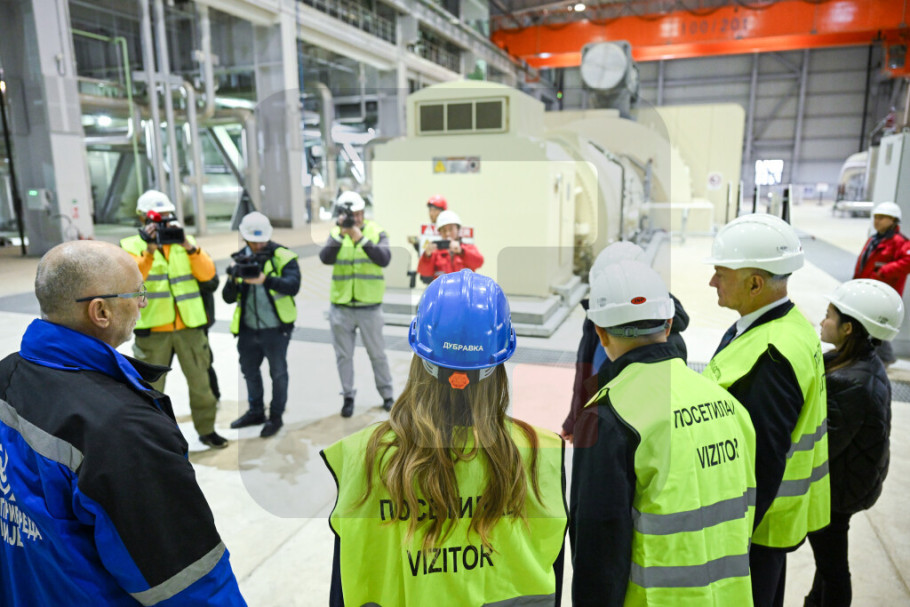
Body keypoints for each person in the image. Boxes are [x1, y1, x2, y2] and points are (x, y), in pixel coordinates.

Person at [0, 240, 245, 605]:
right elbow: (190, 586)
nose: (143, 304)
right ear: (101, 311)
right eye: (138, 293)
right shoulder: (123, 431)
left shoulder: (8, 373)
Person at [321, 269, 567, 606]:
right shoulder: (540, 454)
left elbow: (344, 585)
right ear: (498, 365)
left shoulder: (364, 456)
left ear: (419, 357)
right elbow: (553, 577)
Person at [570, 259, 756, 606]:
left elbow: (599, 545)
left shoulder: (608, 416)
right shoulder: (729, 405)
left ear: (600, 332)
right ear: (669, 324)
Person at [703, 213, 829, 607]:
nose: (712, 282)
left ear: (755, 283)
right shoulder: (790, 325)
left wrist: (731, 536)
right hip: (772, 523)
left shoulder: (771, 356)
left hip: (754, 530)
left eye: (721, 273)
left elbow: (764, 460)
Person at [805, 279, 902, 607]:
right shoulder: (857, 362)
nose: (822, 321)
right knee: (828, 564)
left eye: (829, 315)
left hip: (839, 491)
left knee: (833, 568)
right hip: (850, 482)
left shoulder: (851, 381)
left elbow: (823, 446)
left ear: (848, 328)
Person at [120, 190, 226, 449]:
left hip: (190, 326)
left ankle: (207, 430)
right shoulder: (130, 246)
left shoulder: (186, 243)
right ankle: (152, 439)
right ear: (143, 218)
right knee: (149, 389)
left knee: (201, 384)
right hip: (153, 330)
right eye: (157, 219)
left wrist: (189, 247)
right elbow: (131, 280)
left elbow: (207, 274)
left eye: (167, 217)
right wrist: (149, 250)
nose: (163, 224)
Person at [561, 241, 689, 443]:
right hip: (598, 421)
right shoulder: (599, 314)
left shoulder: (669, 344)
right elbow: (584, 371)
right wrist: (575, 418)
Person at [223, 212, 301, 438]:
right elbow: (228, 297)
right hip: (247, 329)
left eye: (261, 241)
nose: (257, 246)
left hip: (276, 329)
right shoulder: (240, 259)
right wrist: (233, 277)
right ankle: (256, 411)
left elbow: (293, 286)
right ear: (244, 238)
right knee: (249, 372)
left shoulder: (283, 256)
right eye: (253, 241)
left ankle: (275, 417)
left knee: (278, 373)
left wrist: (266, 280)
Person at [319, 191, 395, 417]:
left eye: (360, 213)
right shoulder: (336, 233)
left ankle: (387, 395)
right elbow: (325, 258)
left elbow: (384, 259)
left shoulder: (376, 232)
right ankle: (348, 396)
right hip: (341, 307)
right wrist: (341, 235)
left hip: (369, 307)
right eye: (352, 215)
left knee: (378, 354)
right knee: (344, 356)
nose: (357, 218)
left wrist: (360, 238)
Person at [852, 201, 910, 365]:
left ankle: (885, 357)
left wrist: (884, 271)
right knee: (870, 323)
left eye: (882, 218)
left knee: (878, 324)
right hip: (869, 289)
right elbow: (864, 262)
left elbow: (907, 262)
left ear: (893, 220)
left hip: (885, 293)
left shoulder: (899, 242)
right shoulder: (874, 239)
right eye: (876, 217)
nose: (877, 221)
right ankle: (878, 357)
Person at [417, 210, 484, 281]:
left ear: (458, 229)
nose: (447, 233)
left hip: (464, 287)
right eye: (443, 230)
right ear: (439, 232)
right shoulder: (435, 252)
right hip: (443, 288)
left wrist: (461, 251)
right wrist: (427, 256)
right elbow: (424, 273)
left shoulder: (468, 248)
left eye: (451, 229)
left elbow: (479, 262)